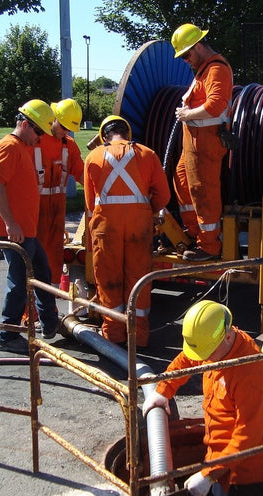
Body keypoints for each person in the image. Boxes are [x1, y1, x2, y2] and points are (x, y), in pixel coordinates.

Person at [142, 300, 263, 496]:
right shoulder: (216, 346)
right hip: (217, 462)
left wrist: (209, 475)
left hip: (246, 478)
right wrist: (163, 390)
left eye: (206, 355)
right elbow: (187, 359)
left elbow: (248, 436)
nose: (203, 360)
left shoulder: (252, 374)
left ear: (228, 337)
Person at [84, 115, 171, 348]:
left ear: (104, 136)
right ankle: (139, 337)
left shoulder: (93, 156)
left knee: (109, 280)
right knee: (138, 280)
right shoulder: (147, 154)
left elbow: (90, 203)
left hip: (106, 228)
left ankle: (113, 337)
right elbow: (163, 196)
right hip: (139, 227)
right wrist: (144, 211)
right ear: (128, 134)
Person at [0, 99, 60, 355]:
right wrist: (11, 223)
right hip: (15, 231)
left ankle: (49, 324)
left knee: (42, 271)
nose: (40, 138)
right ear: (25, 124)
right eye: (38, 132)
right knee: (19, 282)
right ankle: (8, 336)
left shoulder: (21, 146)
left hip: (25, 230)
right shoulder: (8, 146)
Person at [171, 23, 233, 261]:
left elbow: (216, 104)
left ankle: (209, 246)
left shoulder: (216, 69)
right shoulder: (203, 71)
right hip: (194, 145)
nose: (186, 60)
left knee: (203, 191)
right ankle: (195, 235)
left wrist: (187, 115)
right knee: (182, 181)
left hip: (206, 145)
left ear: (198, 46)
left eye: (186, 55)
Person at [34, 98, 84, 285]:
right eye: (62, 126)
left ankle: (49, 305)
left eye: (68, 128)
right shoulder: (35, 141)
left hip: (56, 214)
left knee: (54, 258)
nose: (64, 131)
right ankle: (28, 312)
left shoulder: (68, 145)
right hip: (34, 214)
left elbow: (81, 173)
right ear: (52, 118)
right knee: (32, 261)